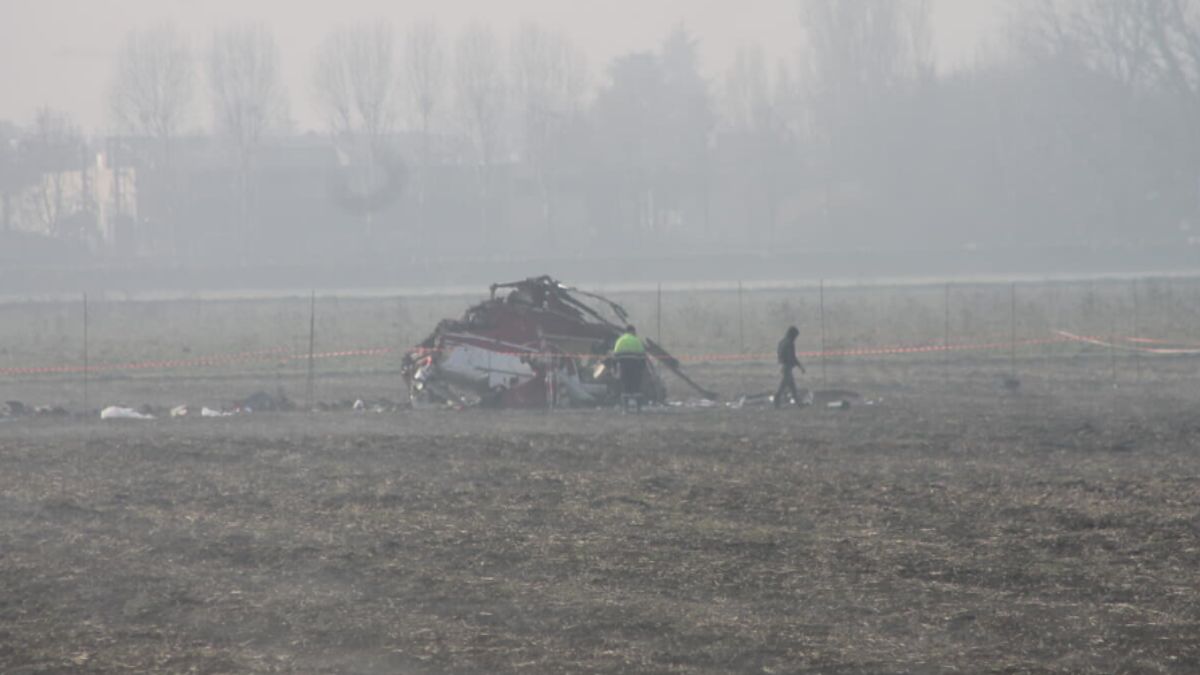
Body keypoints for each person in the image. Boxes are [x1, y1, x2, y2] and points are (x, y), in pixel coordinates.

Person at [612, 325, 647, 411]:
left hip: (624, 367)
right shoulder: (637, 341)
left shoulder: (620, 341)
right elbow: (643, 357)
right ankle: (638, 409)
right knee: (637, 388)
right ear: (632, 331)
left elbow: (615, 356)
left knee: (625, 387)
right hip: (636, 368)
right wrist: (643, 369)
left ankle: (625, 409)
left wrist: (615, 369)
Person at [775, 325, 807, 408]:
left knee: (791, 386)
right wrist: (800, 367)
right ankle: (777, 400)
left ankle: (798, 403)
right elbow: (792, 357)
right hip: (787, 367)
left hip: (783, 366)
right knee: (784, 386)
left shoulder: (782, 342)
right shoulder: (790, 343)